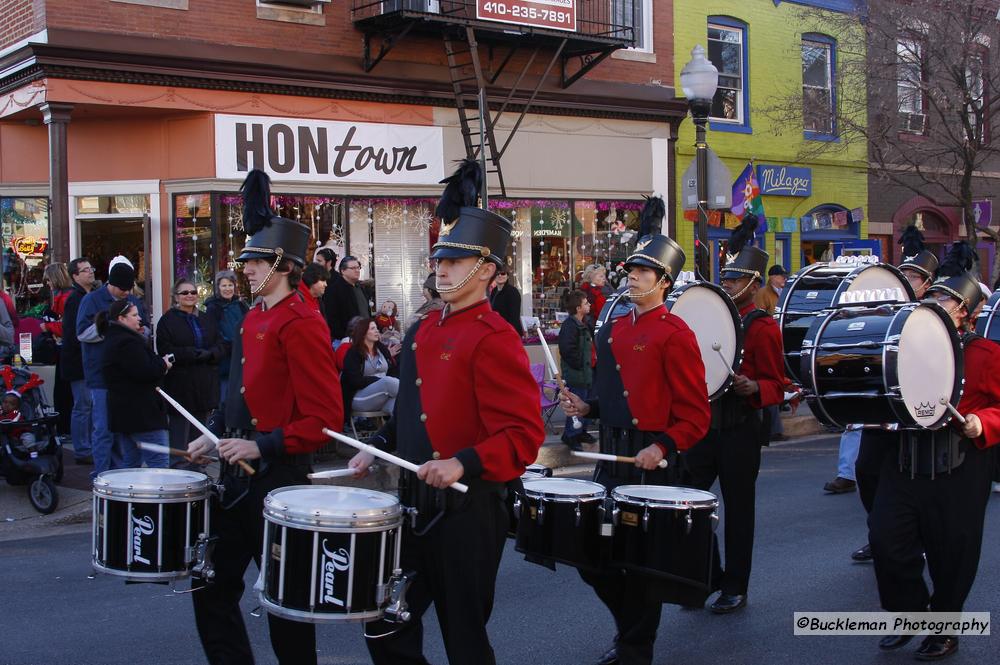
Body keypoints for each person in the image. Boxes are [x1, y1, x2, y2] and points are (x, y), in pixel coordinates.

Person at [348, 160, 544, 665]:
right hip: (414, 506)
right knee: (386, 627)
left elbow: (523, 434)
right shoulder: (423, 331)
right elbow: (411, 411)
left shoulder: (495, 336)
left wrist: (463, 462)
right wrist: (378, 448)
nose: (441, 268)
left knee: (465, 641)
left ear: (489, 272)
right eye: (440, 258)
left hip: (468, 511)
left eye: (454, 261)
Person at [186, 170, 342, 665]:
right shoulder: (255, 316)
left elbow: (325, 418)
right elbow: (245, 396)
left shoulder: (302, 322)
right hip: (236, 475)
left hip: (278, 477)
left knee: (285, 603)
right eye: (246, 261)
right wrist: (217, 437)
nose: (246, 270)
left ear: (282, 264)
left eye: (254, 262)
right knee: (209, 583)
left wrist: (262, 444)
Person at [561, 195, 711, 665]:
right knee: (592, 559)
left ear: (663, 281)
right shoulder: (614, 329)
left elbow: (696, 415)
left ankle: (635, 647)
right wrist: (587, 405)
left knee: (640, 568)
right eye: (631, 271)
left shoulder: (676, 334)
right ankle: (630, 631)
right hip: (611, 460)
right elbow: (618, 396)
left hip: (652, 464)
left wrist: (663, 445)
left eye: (644, 272)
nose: (633, 278)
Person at [869, 243, 999, 660]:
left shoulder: (988, 354)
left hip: (962, 459)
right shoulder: (903, 344)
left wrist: (984, 422)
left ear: (969, 313)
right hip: (905, 453)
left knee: (952, 553)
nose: (938, 305)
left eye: (948, 300)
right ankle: (909, 615)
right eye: (933, 297)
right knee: (886, 539)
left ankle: (944, 626)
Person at [683, 214, 785, 615]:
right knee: (686, 499)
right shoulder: (711, 315)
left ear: (753, 284)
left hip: (741, 426)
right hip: (704, 424)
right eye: (724, 278)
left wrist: (755, 387)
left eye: (733, 279)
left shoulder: (763, 327)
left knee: (740, 511)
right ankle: (708, 574)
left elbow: (777, 383)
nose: (725, 284)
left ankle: (736, 586)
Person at [833, 225, 940, 560]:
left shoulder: (934, 315)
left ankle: (915, 540)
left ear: (927, 284)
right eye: (904, 273)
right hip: (881, 410)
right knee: (866, 471)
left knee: (912, 482)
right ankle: (878, 533)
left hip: (916, 414)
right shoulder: (885, 311)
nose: (907, 279)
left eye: (914, 275)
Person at [76, 257, 149, 480]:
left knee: (122, 427)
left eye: (129, 288)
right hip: (101, 376)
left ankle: (120, 474)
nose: (126, 293)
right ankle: (102, 475)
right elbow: (81, 333)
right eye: (122, 289)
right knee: (104, 429)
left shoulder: (134, 301)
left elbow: (144, 329)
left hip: (127, 375)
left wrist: (140, 331)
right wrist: (113, 328)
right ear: (111, 284)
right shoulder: (91, 301)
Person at [155, 278, 223, 470]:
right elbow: (165, 349)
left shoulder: (206, 318)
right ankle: (178, 469)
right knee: (179, 430)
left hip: (204, 381)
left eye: (193, 292)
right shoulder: (167, 321)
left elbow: (220, 343)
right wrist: (191, 354)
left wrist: (211, 354)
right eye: (185, 293)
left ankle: (198, 469)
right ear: (176, 297)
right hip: (181, 383)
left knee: (200, 429)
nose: (190, 296)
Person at [101, 299, 171, 470]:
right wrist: (163, 365)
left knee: (131, 464)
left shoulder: (116, 339)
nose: (139, 318)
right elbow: (144, 370)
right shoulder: (127, 343)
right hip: (142, 414)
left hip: (127, 414)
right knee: (159, 464)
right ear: (122, 319)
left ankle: (126, 497)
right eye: (134, 315)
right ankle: (159, 495)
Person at [60, 257, 96, 464]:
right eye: (85, 270)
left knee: (90, 405)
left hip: (89, 361)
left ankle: (88, 444)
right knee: (82, 406)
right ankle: (82, 449)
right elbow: (75, 333)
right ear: (75, 276)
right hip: (79, 361)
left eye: (90, 269)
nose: (90, 272)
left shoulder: (91, 295)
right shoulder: (75, 299)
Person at [204, 270, 249, 407]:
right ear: (218, 288)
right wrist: (229, 346)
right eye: (224, 286)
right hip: (225, 357)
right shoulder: (213, 307)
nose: (228, 289)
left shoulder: (241, 305)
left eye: (230, 285)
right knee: (225, 395)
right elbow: (214, 332)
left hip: (243, 355)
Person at [341, 317, 399, 419]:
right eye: (372, 328)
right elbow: (354, 381)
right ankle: (414, 394)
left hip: (383, 395)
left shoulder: (381, 348)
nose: (377, 331)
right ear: (363, 332)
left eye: (376, 328)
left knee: (399, 406)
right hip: (359, 398)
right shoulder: (353, 353)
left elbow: (393, 370)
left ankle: (390, 434)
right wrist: (378, 380)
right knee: (387, 382)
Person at [558, 289, 593, 451]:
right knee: (576, 404)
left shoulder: (584, 323)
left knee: (586, 402)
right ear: (578, 308)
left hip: (586, 373)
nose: (589, 305)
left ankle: (581, 432)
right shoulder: (570, 326)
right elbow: (567, 349)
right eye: (586, 303)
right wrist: (580, 364)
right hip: (576, 373)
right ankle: (571, 434)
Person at [326, 255, 370, 342]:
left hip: (364, 337)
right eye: (353, 268)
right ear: (343, 270)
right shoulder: (334, 289)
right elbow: (332, 318)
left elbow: (366, 312)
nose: (357, 270)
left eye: (358, 267)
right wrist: (344, 337)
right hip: (346, 340)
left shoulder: (360, 287)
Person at [489, 262, 524, 335]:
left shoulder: (512, 292)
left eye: (503, 273)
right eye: (497, 274)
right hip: (497, 331)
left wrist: (509, 333)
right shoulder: (494, 291)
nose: (500, 276)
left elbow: (514, 317)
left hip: (509, 332)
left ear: (507, 276)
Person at [580, 264, 609, 330]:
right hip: (595, 329)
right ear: (591, 277)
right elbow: (602, 314)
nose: (604, 278)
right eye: (601, 276)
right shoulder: (595, 293)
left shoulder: (585, 290)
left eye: (604, 275)